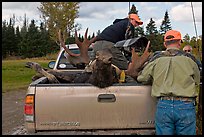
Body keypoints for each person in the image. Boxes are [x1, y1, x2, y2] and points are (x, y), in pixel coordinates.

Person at [137, 30, 200, 135]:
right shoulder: (191, 60)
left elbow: (142, 78)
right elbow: (197, 80)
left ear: (164, 44)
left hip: (164, 105)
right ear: (180, 42)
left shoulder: (156, 60)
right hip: (186, 105)